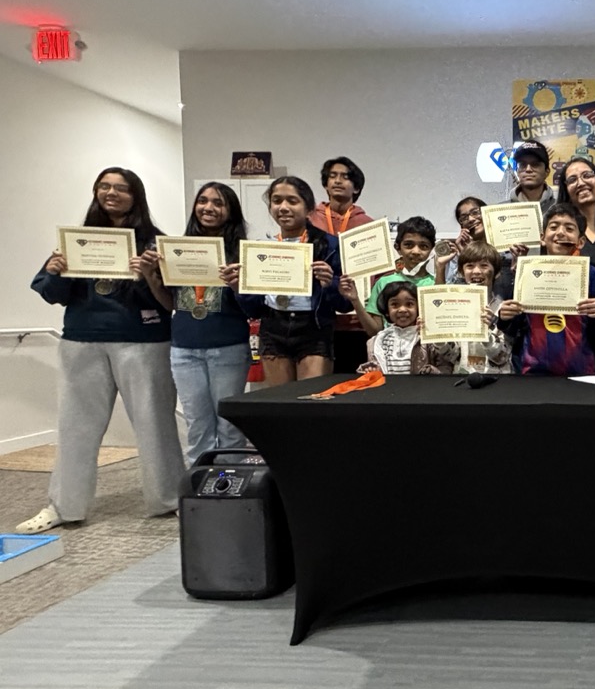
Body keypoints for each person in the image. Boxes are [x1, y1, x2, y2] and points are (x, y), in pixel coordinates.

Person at [19, 168, 184, 532]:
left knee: (155, 423)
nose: (111, 193)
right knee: (75, 427)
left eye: (121, 188)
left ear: (135, 195)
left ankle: (170, 498)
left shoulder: (154, 243)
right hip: (82, 340)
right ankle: (65, 505)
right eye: (104, 187)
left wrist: (150, 276)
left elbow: (172, 301)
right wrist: (56, 271)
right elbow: (52, 294)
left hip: (143, 341)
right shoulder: (76, 241)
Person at [155, 182, 252, 467]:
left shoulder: (241, 253)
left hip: (229, 347)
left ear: (230, 211)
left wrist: (238, 285)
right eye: (203, 201)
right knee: (197, 424)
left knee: (229, 424)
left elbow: (252, 309)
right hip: (184, 349)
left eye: (218, 203)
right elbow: (171, 304)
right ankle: (200, 488)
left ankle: (231, 485)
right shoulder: (177, 251)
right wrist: (151, 275)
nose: (208, 208)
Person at [223, 176, 350, 387]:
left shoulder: (330, 246)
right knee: (279, 406)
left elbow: (344, 304)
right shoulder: (261, 249)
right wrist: (238, 287)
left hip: (313, 328)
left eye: (292, 201)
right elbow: (253, 310)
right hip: (274, 327)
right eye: (276, 200)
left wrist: (330, 283)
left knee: (311, 403)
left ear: (309, 207)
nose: (283, 207)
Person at [498, 203, 595, 375]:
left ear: (580, 241)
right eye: (554, 227)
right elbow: (514, 327)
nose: (560, 232)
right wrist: (505, 316)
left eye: (569, 228)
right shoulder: (527, 270)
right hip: (532, 370)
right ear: (542, 237)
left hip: (581, 370)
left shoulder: (589, 273)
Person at [311, 157, 374, 373]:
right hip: (316, 320)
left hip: (356, 322)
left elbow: (379, 274)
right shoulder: (310, 222)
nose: (338, 181)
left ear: (356, 187)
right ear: (325, 184)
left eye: (346, 177)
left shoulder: (368, 225)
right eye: (333, 176)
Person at [428, 240, 513, 375]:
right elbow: (453, 355)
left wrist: (487, 330)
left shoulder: (505, 310)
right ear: (461, 273)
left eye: (484, 266)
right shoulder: (457, 308)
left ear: (496, 273)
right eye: (470, 266)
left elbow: (502, 357)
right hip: (463, 382)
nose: (477, 271)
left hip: (498, 384)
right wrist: (436, 335)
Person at [361, 216, 436, 336]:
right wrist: (354, 300)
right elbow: (375, 331)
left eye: (424, 246)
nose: (416, 251)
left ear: (432, 249)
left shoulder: (436, 283)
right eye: (408, 245)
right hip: (389, 351)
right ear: (398, 248)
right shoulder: (383, 282)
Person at [358, 280, 447, 374]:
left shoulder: (427, 337)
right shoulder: (377, 341)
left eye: (409, 304)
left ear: (419, 307)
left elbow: (446, 364)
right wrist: (371, 370)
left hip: (424, 387)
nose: (402, 309)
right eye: (395, 305)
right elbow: (374, 371)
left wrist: (433, 372)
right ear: (386, 309)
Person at [509, 140, 556, 210]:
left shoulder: (561, 210)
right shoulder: (501, 211)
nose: (528, 169)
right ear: (517, 171)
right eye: (522, 165)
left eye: (535, 164)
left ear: (547, 172)